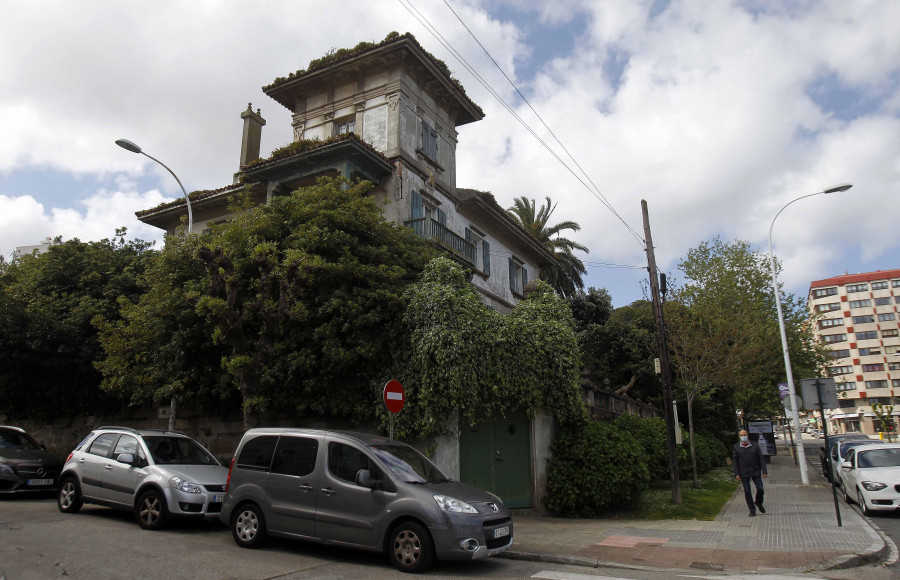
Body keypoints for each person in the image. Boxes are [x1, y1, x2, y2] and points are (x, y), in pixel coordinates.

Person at [733, 429, 767, 516]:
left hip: (755, 470)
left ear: (747, 435)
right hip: (743, 472)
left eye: (745, 435)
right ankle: (752, 510)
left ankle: (759, 502)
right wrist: (736, 473)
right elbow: (735, 461)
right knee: (747, 491)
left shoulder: (754, 445)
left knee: (760, 488)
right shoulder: (736, 447)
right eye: (742, 435)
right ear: (739, 437)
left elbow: (761, 458)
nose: (744, 437)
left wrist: (764, 471)